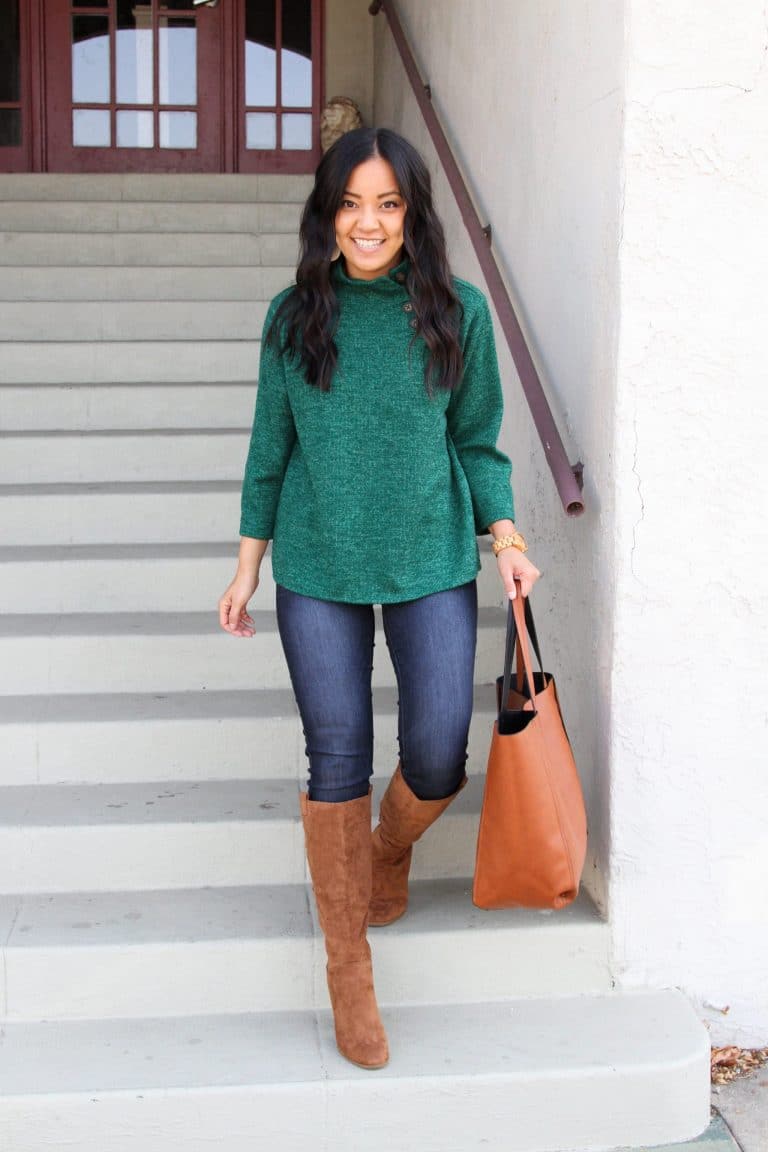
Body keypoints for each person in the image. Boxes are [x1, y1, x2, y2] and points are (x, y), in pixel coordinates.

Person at [218, 127, 541, 1071]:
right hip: (318, 564)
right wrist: (246, 566)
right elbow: (269, 448)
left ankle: (386, 849)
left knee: (438, 752)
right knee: (337, 758)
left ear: (412, 214)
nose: (368, 223)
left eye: (388, 204)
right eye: (351, 203)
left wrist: (507, 540)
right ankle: (347, 966)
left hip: (431, 557)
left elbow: (477, 441)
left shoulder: (457, 312)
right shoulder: (294, 317)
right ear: (327, 212)